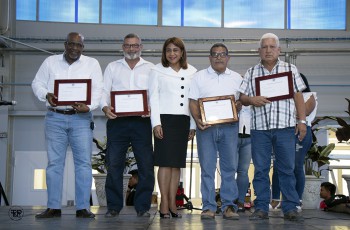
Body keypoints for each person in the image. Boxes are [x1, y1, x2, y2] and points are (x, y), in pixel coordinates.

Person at [32, 32, 103, 218]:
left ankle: (82, 208)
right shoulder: (50, 62)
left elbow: (98, 91)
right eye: (71, 44)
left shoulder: (92, 64)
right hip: (55, 118)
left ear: (83, 47)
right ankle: (53, 207)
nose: (74, 48)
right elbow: (36, 83)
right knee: (54, 164)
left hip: (81, 119)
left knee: (84, 164)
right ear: (65, 44)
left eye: (78, 45)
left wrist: (88, 106)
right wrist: (46, 94)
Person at [239, 33, 307, 221]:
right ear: (259, 51)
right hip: (260, 129)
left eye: (272, 47)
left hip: (285, 128)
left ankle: (290, 207)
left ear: (279, 50)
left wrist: (302, 121)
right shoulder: (252, 72)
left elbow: (299, 96)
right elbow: (242, 98)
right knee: (260, 169)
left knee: (286, 169)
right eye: (264, 47)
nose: (268, 50)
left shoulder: (290, 69)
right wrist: (251, 99)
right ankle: (261, 207)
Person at [100, 33, 155, 218]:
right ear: (123, 47)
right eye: (128, 45)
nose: (131, 49)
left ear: (141, 47)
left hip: (143, 121)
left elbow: (155, 94)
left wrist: (151, 109)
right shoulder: (112, 67)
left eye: (135, 45)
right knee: (114, 164)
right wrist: (104, 106)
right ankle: (114, 207)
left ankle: (143, 207)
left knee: (146, 166)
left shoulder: (151, 68)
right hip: (117, 121)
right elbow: (104, 91)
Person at [189, 43, 242, 220]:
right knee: (207, 168)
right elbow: (193, 103)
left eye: (222, 54)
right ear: (210, 58)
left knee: (229, 168)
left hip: (230, 128)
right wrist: (197, 121)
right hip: (206, 128)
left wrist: (236, 107)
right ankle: (208, 207)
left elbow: (241, 101)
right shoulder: (198, 77)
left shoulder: (237, 78)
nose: (219, 57)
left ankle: (229, 206)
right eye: (215, 54)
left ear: (228, 57)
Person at [148, 37, 197, 219]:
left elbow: (193, 100)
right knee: (165, 164)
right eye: (168, 50)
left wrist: (192, 125)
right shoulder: (157, 70)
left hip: (183, 121)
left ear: (182, 52)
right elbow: (152, 98)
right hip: (165, 120)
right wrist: (156, 123)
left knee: (176, 165)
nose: (172, 54)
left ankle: (173, 204)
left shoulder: (192, 71)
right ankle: (164, 203)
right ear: (164, 53)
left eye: (176, 50)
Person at [270, 73, 317, 211]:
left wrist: (285, 109)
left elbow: (304, 112)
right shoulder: (283, 96)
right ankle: (276, 199)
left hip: (301, 131)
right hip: (284, 131)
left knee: (295, 165)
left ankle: (296, 200)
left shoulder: (310, 95)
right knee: (278, 165)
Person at [235, 104, 252, 212]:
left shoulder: (254, 90)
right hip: (232, 133)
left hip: (250, 134)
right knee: (229, 170)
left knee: (243, 171)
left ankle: (241, 201)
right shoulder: (232, 88)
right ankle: (229, 201)